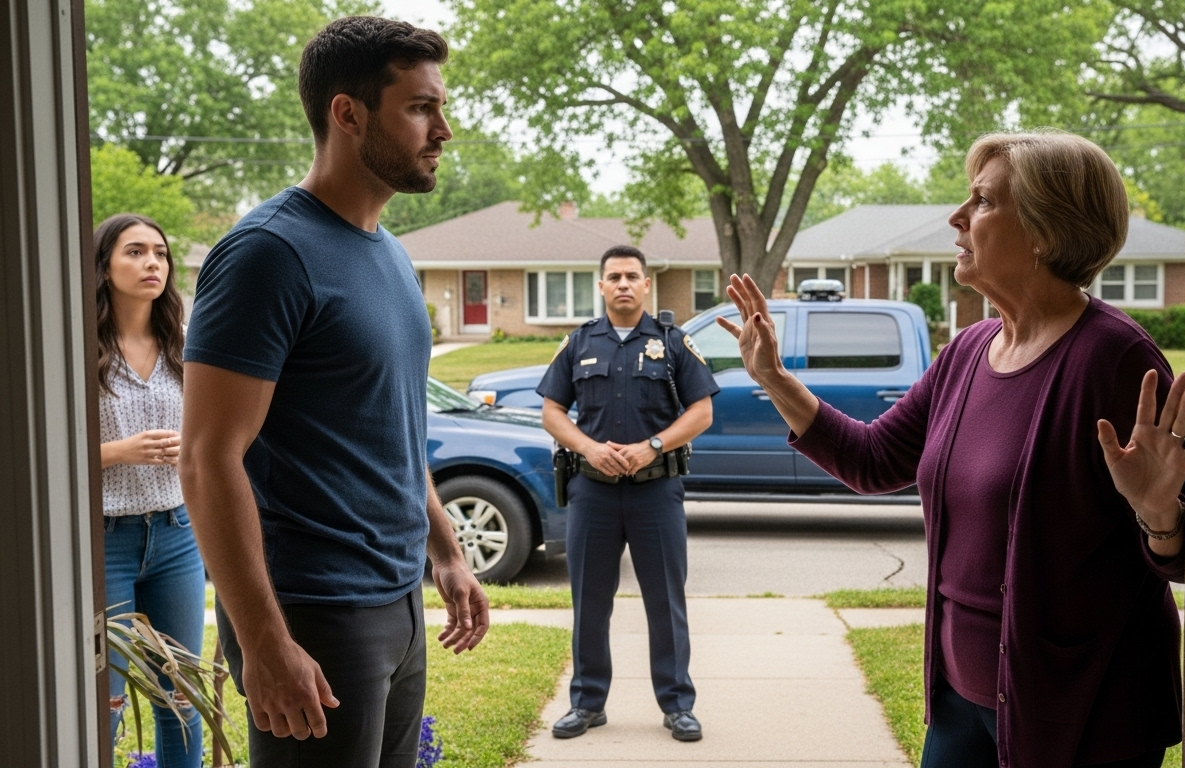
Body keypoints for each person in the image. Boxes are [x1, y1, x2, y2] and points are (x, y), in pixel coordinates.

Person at [720, 130, 1185, 768]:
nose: (956, 218)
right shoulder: (969, 351)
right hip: (960, 704)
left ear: (1044, 230)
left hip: (1080, 714)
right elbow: (874, 461)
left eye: (980, 202)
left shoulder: (1114, 361)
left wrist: (1159, 516)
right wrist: (775, 380)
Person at [179, 17, 489, 767]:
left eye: (439, 107)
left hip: (398, 599)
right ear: (347, 114)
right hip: (314, 613)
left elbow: (392, 428)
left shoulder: (388, 255)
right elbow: (206, 459)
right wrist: (263, 641)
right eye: (420, 108)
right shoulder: (269, 256)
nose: (443, 130)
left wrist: (444, 553)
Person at [537, 245, 719, 742]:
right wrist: (589, 449)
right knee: (589, 603)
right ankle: (587, 703)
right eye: (613, 276)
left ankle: (678, 704)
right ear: (600, 286)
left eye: (631, 276)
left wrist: (652, 446)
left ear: (645, 285)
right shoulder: (578, 343)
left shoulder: (672, 342)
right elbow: (552, 412)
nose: (622, 283)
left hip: (656, 492)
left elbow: (701, 411)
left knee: (665, 601)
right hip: (591, 493)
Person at [96, 213, 204, 767]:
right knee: (103, 704)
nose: (152, 264)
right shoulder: (79, 351)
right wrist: (122, 451)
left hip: (177, 538)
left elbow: (213, 435)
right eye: (135, 252)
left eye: (159, 253)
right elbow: (46, 458)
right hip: (103, 544)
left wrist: (190, 446)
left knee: (182, 699)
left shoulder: (184, 345)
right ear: (105, 266)